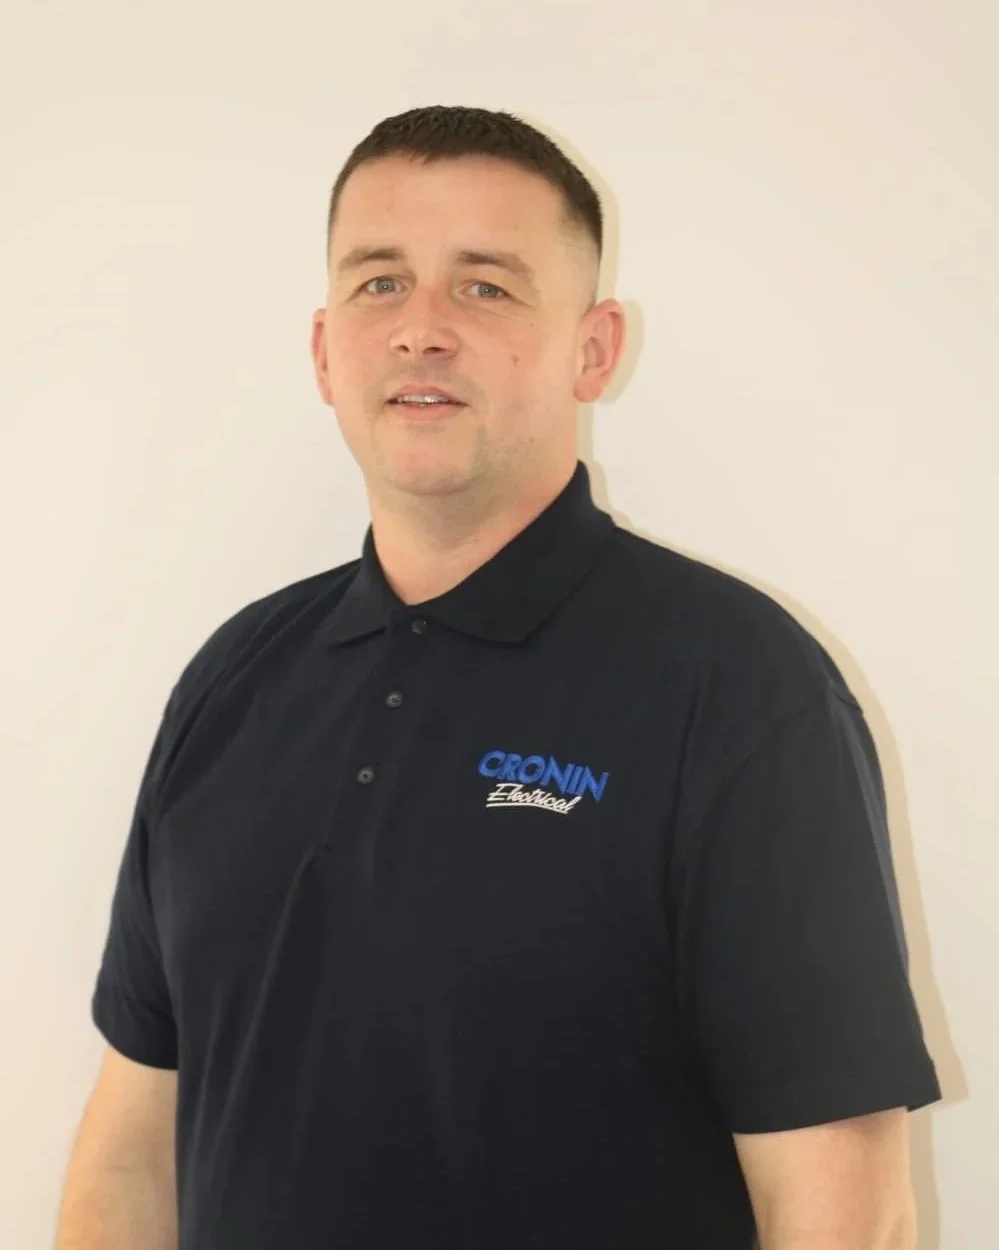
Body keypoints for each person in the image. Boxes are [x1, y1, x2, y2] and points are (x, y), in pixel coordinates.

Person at [57, 105, 941, 1250]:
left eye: (485, 286)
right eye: (380, 282)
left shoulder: (740, 690)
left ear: (594, 348)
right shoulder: (232, 682)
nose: (421, 329)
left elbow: (845, 1212)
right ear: (324, 349)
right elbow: (131, 1154)